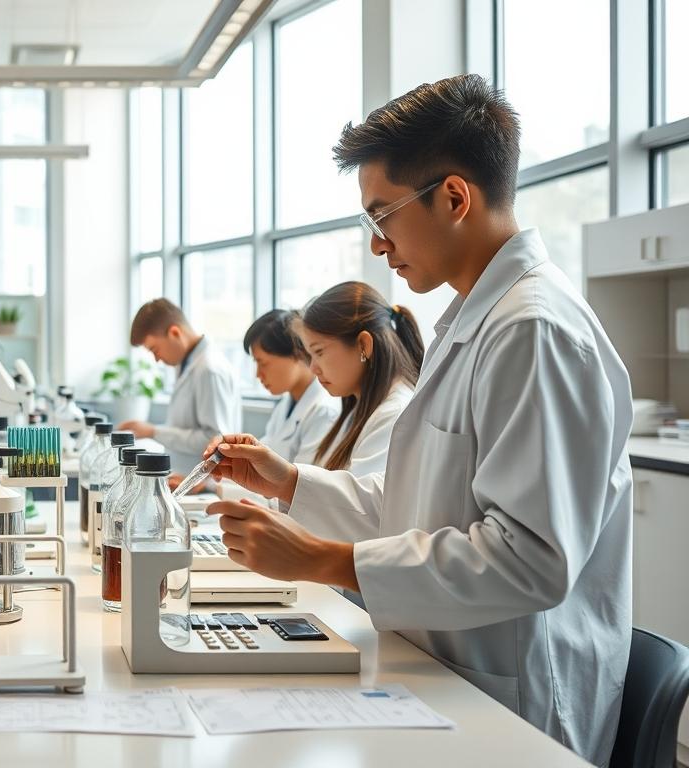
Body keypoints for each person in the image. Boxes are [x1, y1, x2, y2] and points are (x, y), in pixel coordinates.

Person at [205, 74, 632, 766]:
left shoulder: (534, 331)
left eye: (382, 216)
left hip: (517, 704)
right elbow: (418, 507)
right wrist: (290, 483)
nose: (377, 245)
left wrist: (324, 558)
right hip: (448, 672)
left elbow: (529, 561)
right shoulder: (475, 322)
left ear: (455, 197)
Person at [297, 282, 422, 477]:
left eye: (319, 352)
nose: (313, 368)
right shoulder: (357, 408)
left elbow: (355, 504)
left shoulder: (395, 415)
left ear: (363, 345)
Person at [118, 298, 242, 473]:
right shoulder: (187, 364)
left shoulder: (208, 369)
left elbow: (215, 440)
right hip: (184, 478)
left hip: (200, 484)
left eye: (155, 349)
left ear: (175, 333)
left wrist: (154, 432)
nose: (156, 359)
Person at [244, 309, 340, 465]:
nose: (258, 374)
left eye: (263, 363)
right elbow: (260, 463)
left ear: (297, 353)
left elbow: (304, 484)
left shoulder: (325, 412)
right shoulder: (285, 406)